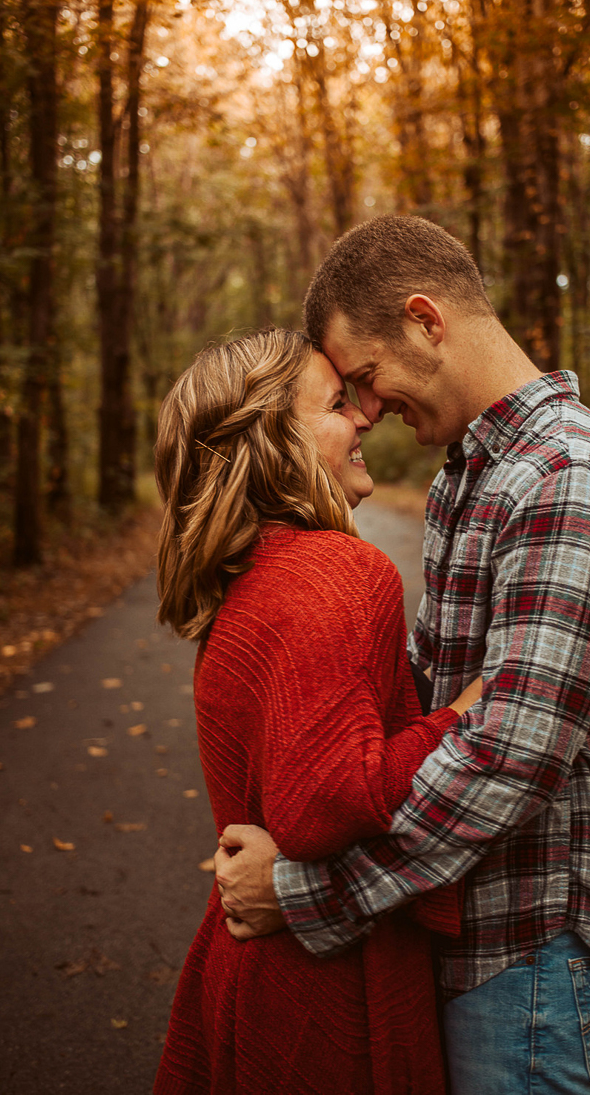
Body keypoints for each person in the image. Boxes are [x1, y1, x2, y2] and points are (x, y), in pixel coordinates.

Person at [214, 216, 590, 1095]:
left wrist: (307, 892)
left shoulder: (568, 477)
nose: (370, 411)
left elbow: (510, 757)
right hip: (468, 935)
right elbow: (428, 701)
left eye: (368, 378)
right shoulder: (477, 471)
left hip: (529, 954)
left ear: (427, 320)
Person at [151, 328, 482, 1095]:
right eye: (338, 404)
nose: (366, 417)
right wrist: (464, 712)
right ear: (272, 441)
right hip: (326, 985)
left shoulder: (247, 584)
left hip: (252, 967)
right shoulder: (339, 571)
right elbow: (324, 803)